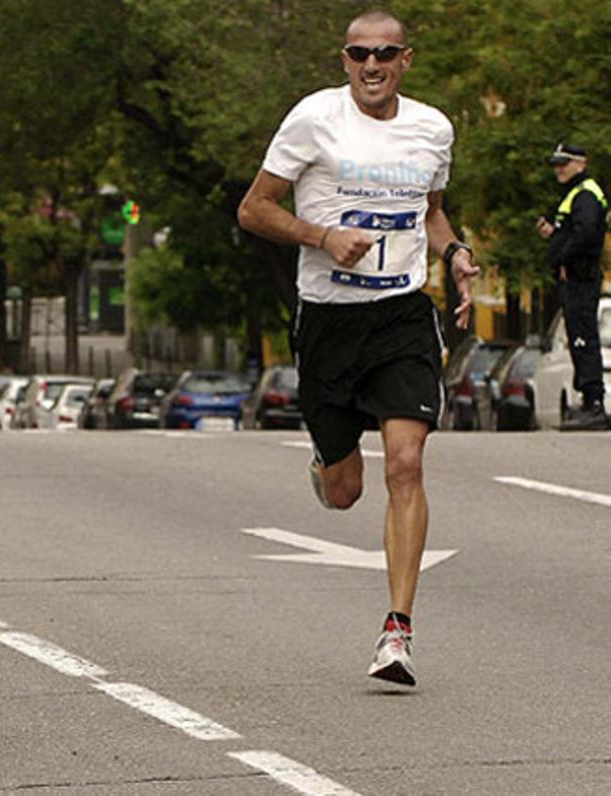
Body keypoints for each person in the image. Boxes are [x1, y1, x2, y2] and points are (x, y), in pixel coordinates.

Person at [237, 10, 479, 687]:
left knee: (407, 462)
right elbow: (254, 208)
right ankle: (326, 458)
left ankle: (397, 632)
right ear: (344, 60)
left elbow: (431, 212)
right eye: (360, 54)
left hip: (402, 315)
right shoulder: (313, 118)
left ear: (406, 60)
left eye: (386, 54)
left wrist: (454, 253)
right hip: (329, 321)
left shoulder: (432, 129)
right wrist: (321, 237)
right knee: (345, 491)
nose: (373, 65)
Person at [536, 143, 608, 429]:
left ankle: (594, 403)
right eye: (556, 164)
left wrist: (563, 257)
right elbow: (575, 231)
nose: (558, 170)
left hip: (580, 277)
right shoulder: (576, 193)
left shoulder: (586, 194)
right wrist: (554, 233)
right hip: (576, 276)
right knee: (579, 337)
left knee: (583, 339)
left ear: (580, 163)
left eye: (564, 164)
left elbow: (587, 233)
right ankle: (588, 401)